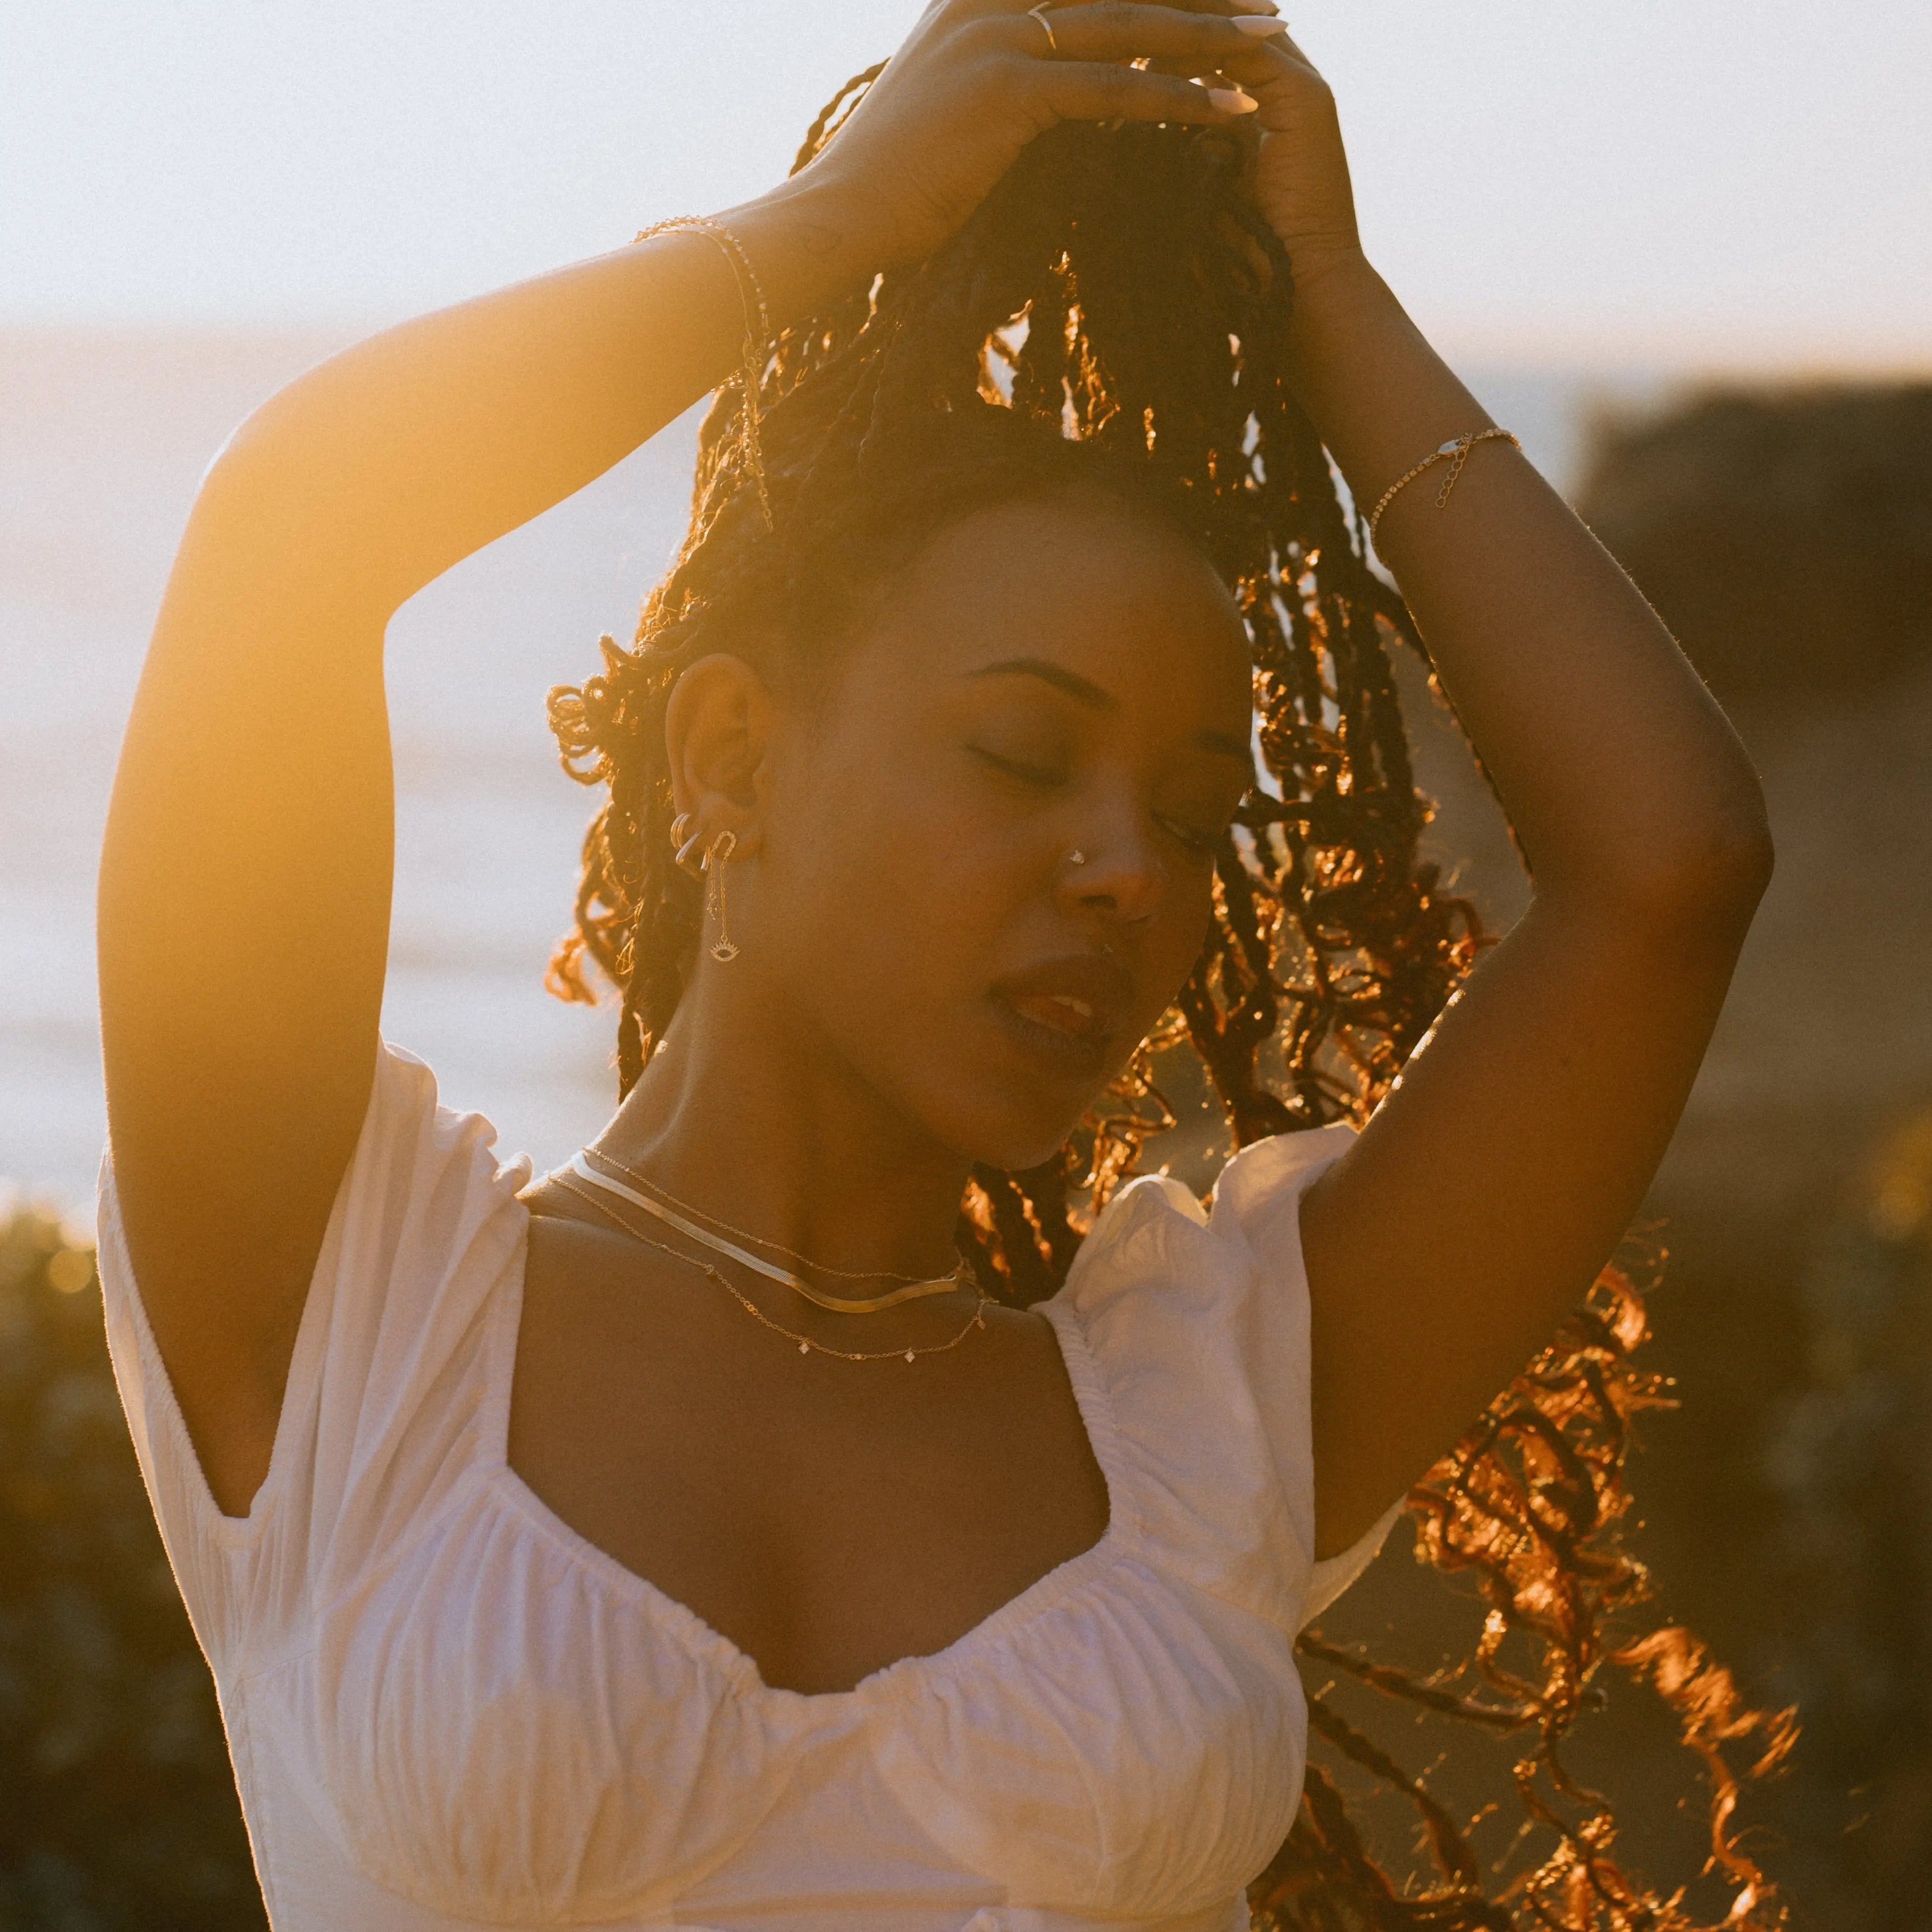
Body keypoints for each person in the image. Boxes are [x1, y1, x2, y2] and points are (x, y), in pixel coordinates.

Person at [92, 4, 1773, 1927]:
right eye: (1019, 755)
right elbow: (295, 535)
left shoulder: (1194, 1419)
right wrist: (830, 225)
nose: (1127, 868)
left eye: (1194, 804)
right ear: (731, 756)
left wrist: (1322, 287)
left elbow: (1672, 867)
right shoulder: (350, 1321)